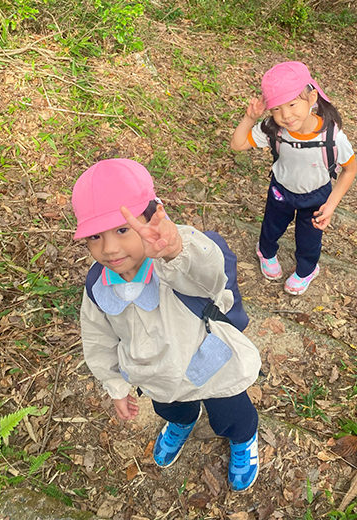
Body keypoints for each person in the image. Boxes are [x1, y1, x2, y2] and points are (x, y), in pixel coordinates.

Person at [73, 158, 261, 492]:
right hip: (156, 375)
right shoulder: (98, 286)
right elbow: (98, 339)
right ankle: (182, 422)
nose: (110, 248)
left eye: (122, 230)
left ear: (152, 217)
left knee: (231, 412)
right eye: (95, 236)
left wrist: (176, 250)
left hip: (210, 364)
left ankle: (243, 438)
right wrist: (115, 385)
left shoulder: (174, 261)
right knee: (171, 408)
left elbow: (209, 275)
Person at [231, 61, 357, 296]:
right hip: (281, 189)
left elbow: (349, 170)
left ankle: (307, 270)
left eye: (292, 104)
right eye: (276, 109)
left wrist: (331, 205)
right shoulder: (273, 129)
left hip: (317, 195)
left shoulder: (332, 137)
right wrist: (249, 118)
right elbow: (238, 144)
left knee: (310, 238)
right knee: (272, 225)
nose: (286, 115)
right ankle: (266, 252)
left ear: (312, 98)